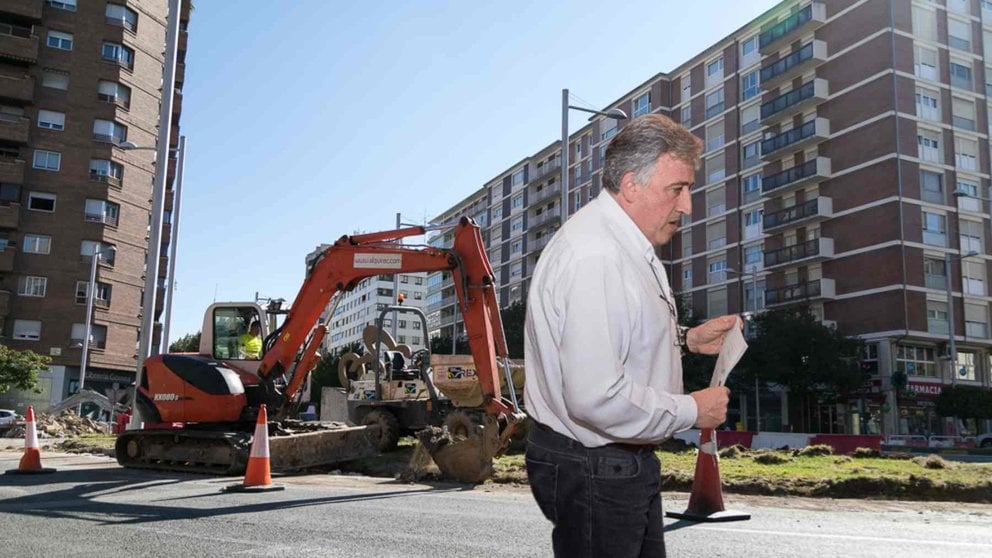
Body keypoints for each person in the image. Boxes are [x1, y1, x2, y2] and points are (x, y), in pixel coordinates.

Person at [524, 114, 738, 557]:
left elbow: (615, 330)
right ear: (631, 185)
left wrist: (685, 340)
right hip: (595, 465)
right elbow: (595, 397)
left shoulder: (621, 242)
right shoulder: (597, 257)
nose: (688, 206)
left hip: (611, 461)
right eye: (677, 189)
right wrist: (692, 410)